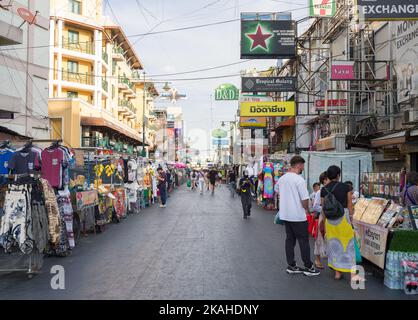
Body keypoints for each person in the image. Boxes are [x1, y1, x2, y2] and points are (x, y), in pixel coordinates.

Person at [277, 155, 320, 277]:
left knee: (289, 240)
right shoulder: (299, 180)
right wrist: (307, 209)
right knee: (303, 241)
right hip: (297, 215)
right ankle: (308, 267)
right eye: (302, 166)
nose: (302, 168)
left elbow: (277, 191)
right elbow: (305, 199)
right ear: (299, 165)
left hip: (286, 215)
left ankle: (291, 265)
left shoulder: (282, 179)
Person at [320, 165, 359, 282]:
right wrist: (351, 218)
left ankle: (337, 273)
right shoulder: (346, 187)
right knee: (349, 245)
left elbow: (323, 208)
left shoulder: (324, 189)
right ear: (338, 175)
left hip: (330, 220)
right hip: (343, 218)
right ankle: (352, 274)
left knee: (334, 245)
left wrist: (324, 221)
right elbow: (350, 205)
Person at [312, 172, 330, 269]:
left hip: (331, 217)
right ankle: (317, 259)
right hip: (323, 217)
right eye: (327, 179)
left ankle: (332, 261)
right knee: (320, 239)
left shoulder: (332, 189)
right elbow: (315, 206)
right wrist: (324, 209)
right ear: (324, 181)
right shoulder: (320, 192)